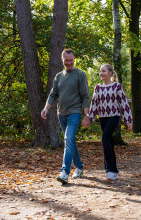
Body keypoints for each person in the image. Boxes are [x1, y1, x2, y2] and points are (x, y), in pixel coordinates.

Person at [41, 48, 90, 184]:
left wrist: (86, 115)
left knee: (68, 140)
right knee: (70, 142)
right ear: (62, 59)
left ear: (74, 59)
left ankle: (64, 172)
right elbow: (53, 94)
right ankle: (79, 167)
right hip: (61, 113)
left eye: (71, 60)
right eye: (66, 61)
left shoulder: (80, 74)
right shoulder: (59, 76)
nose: (69, 63)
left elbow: (85, 96)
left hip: (74, 112)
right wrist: (46, 109)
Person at [83, 64, 132, 181]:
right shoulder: (98, 88)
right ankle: (114, 171)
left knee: (104, 139)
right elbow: (94, 104)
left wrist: (128, 120)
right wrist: (90, 119)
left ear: (110, 73)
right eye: (100, 71)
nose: (101, 73)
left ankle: (109, 170)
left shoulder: (117, 86)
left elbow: (124, 103)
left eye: (104, 71)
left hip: (114, 117)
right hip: (103, 118)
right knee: (108, 142)